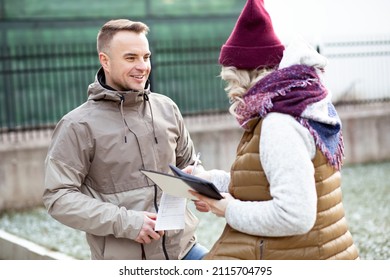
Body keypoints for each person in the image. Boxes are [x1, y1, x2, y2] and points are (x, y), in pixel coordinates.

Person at [187, 0, 359, 260]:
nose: (231, 90)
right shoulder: (298, 103)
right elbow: (267, 180)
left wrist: (227, 208)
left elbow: (295, 216)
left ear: (245, 73)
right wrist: (208, 180)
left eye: (230, 78)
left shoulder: (280, 123)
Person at [42, 19, 208, 260]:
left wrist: (199, 184)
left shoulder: (167, 108)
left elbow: (189, 162)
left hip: (185, 250)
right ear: (105, 61)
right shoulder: (77, 125)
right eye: (131, 58)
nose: (142, 66)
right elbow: (58, 197)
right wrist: (127, 223)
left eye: (146, 56)